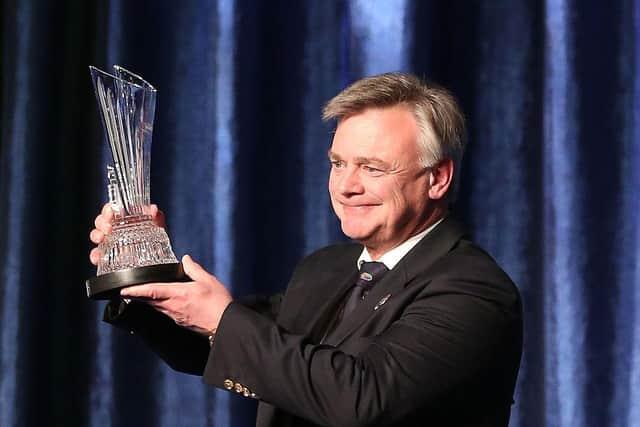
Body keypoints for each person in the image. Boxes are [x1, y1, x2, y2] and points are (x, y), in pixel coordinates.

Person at [90, 72, 522, 427]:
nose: (346, 186)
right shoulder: (326, 268)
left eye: (372, 168)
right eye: (338, 163)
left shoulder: (474, 291)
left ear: (438, 178)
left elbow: (361, 399)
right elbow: (246, 352)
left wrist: (221, 319)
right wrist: (147, 271)